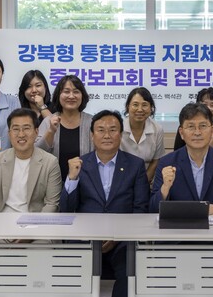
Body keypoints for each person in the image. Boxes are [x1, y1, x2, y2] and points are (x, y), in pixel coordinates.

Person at [0, 108, 62, 297]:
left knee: (40, 256)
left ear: (36, 132)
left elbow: (51, 205)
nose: (21, 134)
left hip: (38, 230)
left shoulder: (50, 162)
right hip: (0, 228)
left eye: (26, 128)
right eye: (16, 129)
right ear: (9, 133)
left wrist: (29, 233)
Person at [60, 110, 149, 297]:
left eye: (112, 130)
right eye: (101, 130)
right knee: (71, 272)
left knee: (130, 273)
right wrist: (72, 178)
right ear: (92, 136)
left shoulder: (135, 165)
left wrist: (117, 236)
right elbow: (66, 209)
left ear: (120, 135)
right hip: (85, 237)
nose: (107, 135)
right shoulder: (80, 165)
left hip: (123, 240)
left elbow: (140, 210)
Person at [150, 103, 213, 214]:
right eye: (191, 127)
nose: (197, 132)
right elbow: (152, 209)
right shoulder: (167, 162)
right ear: (181, 133)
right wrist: (165, 188)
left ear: (212, 131)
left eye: (203, 126)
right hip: (178, 223)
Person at [36, 75, 94, 180]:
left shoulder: (92, 122)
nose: (71, 96)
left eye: (76, 92)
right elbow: (37, 153)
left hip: (86, 183)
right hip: (52, 183)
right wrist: (50, 131)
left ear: (82, 96)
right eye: (66, 92)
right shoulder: (48, 121)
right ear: (58, 95)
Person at [120, 87, 165, 183]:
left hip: (146, 181)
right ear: (128, 107)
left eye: (144, 105)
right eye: (135, 105)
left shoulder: (157, 129)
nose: (140, 109)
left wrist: (142, 183)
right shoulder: (119, 128)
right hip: (120, 180)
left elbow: (156, 161)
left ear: (151, 108)